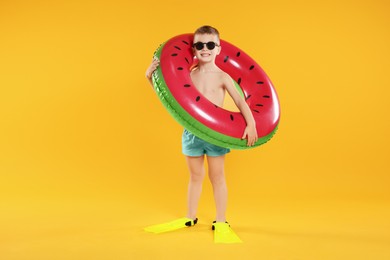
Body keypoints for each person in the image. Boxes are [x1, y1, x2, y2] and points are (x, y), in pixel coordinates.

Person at [144, 25, 258, 243]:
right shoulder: (187, 75)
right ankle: (190, 217)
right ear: (194, 49)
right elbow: (170, 100)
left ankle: (221, 220)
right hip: (191, 134)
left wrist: (251, 124)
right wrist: (150, 77)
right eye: (199, 45)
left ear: (218, 49)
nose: (205, 49)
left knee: (217, 178)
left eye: (210, 44)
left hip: (215, 135)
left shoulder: (223, 76)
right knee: (195, 177)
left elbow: (240, 101)